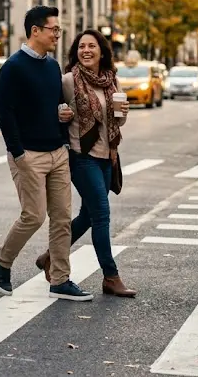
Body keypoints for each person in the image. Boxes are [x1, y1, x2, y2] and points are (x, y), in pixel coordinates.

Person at [0, 6, 92, 301]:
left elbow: (58, 106)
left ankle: (60, 279)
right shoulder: (12, 68)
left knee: (62, 218)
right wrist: (18, 154)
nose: (58, 35)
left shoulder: (52, 67)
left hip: (57, 152)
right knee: (33, 215)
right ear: (36, 31)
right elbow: (5, 115)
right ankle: (2, 261)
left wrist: (64, 117)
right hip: (28, 155)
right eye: (54, 30)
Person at [33, 29, 134, 297]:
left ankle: (49, 257)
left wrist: (123, 114)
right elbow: (51, 111)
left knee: (88, 216)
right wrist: (61, 114)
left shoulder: (111, 80)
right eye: (81, 47)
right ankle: (110, 276)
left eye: (91, 46)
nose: (86, 51)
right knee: (101, 215)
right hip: (81, 156)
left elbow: (117, 119)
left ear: (102, 51)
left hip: (106, 156)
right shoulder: (68, 80)